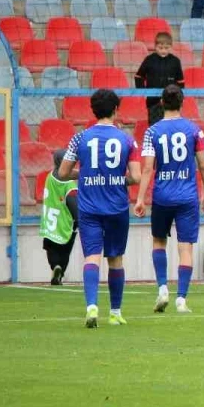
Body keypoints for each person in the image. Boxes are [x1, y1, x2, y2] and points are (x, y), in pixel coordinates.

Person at [58, 89, 141, 328]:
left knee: (91, 256)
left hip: (89, 207)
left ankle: (92, 306)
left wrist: (84, 174)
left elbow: (62, 173)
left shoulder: (79, 138)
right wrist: (118, 179)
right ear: (116, 110)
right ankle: (115, 312)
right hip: (116, 207)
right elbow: (135, 177)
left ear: (93, 110)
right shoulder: (127, 140)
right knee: (115, 259)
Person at [133, 85, 204, 314]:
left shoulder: (152, 131)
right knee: (185, 247)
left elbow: (148, 168)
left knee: (159, 242)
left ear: (161, 102)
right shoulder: (194, 130)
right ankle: (181, 300)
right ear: (182, 102)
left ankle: (162, 289)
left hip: (162, 197)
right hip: (187, 197)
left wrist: (140, 199)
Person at [39, 149, 79, 286]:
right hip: (64, 223)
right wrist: (78, 219)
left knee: (51, 249)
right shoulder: (69, 185)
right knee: (65, 252)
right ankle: (60, 269)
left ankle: (54, 266)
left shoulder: (49, 177)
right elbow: (72, 202)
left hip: (49, 223)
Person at [134, 32, 184, 123]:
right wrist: (143, 92)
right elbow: (138, 76)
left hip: (171, 103)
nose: (163, 51)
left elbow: (180, 82)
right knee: (154, 127)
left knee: (170, 127)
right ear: (155, 46)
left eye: (166, 48)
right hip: (153, 102)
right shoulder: (149, 60)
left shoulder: (175, 61)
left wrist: (179, 99)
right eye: (160, 48)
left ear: (171, 47)